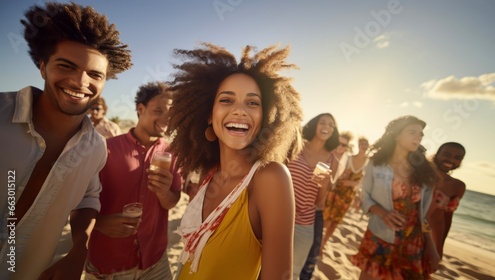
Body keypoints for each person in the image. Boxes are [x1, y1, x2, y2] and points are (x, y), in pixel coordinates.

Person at [0, 2, 131, 279]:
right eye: (66, 65)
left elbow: (88, 198)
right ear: (43, 66)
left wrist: (79, 250)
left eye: (95, 74)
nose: (80, 81)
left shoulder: (96, 147)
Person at [167, 43, 302, 279]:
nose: (240, 111)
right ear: (209, 115)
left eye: (252, 103)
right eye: (227, 100)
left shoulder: (270, 177)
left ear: (266, 116)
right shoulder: (210, 175)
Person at [85, 82, 181, 279]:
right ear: (140, 109)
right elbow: (78, 200)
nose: (166, 117)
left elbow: (173, 201)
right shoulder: (106, 149)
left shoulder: (172, 153)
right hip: (109, 265)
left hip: (156, 262)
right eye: (159, 110)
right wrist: (99, 223)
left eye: (170, 112)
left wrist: (164, 192)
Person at [350, 115, 440, 280]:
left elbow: (423, 214)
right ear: (397, 135)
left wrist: (430, 245)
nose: (418, 137)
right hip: (379, 234)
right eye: (412, 132)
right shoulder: (376, 163)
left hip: (413, 242)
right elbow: (365, 195)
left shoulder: (424, 170)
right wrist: (383, 213)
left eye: (420, 134)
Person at [296, 128, 349, 280]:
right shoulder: (303, 148)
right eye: (340, 143)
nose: (341, 147)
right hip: (298, 206)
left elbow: (323, 195)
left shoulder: (335, 161)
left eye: (344, 146)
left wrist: (324, 185)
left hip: (317, 209)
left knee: (312, 250)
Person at [319, 135, 369, 258]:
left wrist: (353, 185)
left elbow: (364, 182)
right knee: (326, 219)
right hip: (337, 192)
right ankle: (318, 242)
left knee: (336, 222)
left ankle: (323, 244)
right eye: (362, 143)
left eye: (366, 144)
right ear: (358, 145)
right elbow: (338, 175)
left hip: (348, 196)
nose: (364, 146)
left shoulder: (368, 163)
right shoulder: (348, 158)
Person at [428, 142, 466, 259]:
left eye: (457, 158)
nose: (451, 160)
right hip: (405, 227)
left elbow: (447, 217)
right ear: (437, 154)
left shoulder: (458, 186)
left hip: (430, 235)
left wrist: (440, 245)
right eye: (446, 154)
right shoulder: (419, 174)